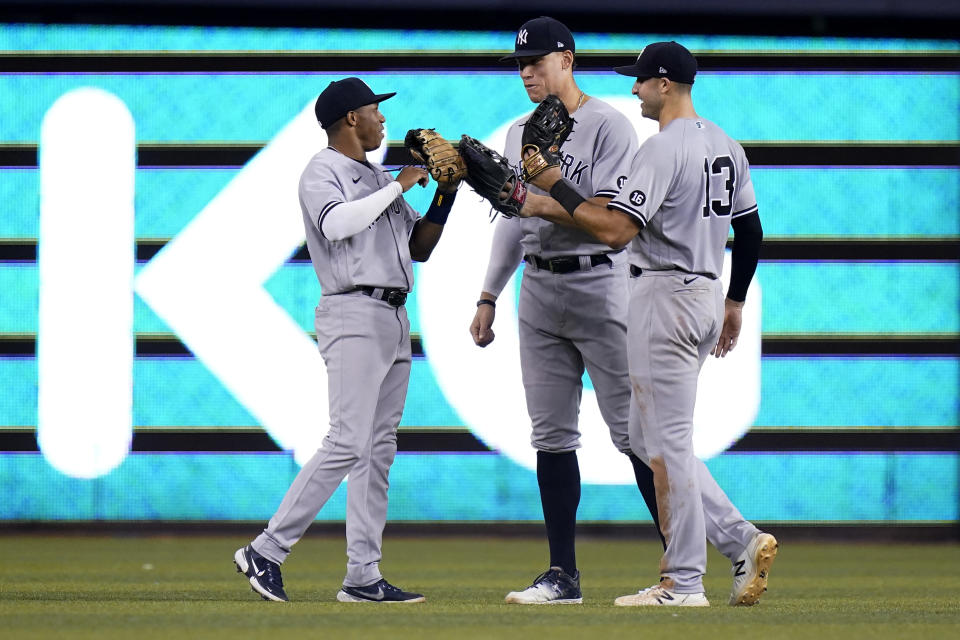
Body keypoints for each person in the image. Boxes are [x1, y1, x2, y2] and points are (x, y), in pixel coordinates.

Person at [519, 41, 776, 607]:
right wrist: (733, 303)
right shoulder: (727, 145)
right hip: (706, 292)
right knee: (645, 437)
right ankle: (740, 539)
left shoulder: (662, 150)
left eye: (640, 80)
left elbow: (615, 231)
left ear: (666, 84)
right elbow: (752, 233)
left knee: (665, 446)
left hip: (665, 292)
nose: (633, 88)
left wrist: (554, 183)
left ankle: (683, 582)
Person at [234, 77, 458, 604]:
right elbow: (338, 225)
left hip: (395, 316)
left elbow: (419, 247)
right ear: (351, 119)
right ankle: (266, 549)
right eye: (375, 110)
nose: (383, 118)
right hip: (352, 310)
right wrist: (401, 184)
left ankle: (363, 574)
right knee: (347, 441)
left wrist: (445, 195)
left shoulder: (376, 175)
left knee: (377, 451)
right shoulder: (323, 171)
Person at [469, 16, 665, 605]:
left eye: (536, 61)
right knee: (551, 434)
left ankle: (681, 568)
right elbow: (514, 223)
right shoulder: (518, 134)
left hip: (601, 284)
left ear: (567, 60)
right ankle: (562, 576)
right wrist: (487, 295)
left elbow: (605, 215)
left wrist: (532, 197)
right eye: (519, 65)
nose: (526, 72)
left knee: (634, 432)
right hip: (538, 288)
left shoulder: (608, 125)